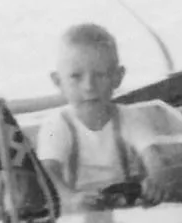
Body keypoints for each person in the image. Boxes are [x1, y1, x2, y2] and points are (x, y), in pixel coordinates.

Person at [37, 23, 168, 211]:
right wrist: (69, 197)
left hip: (125, 208)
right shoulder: (56, 125)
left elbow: (153, 156)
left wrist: (155, 181)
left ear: (117, 77)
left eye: (100, 75)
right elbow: (48, 171)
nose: (89, 86)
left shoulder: (130, 117)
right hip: (78, 215)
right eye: (76, 77)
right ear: (58, 82)